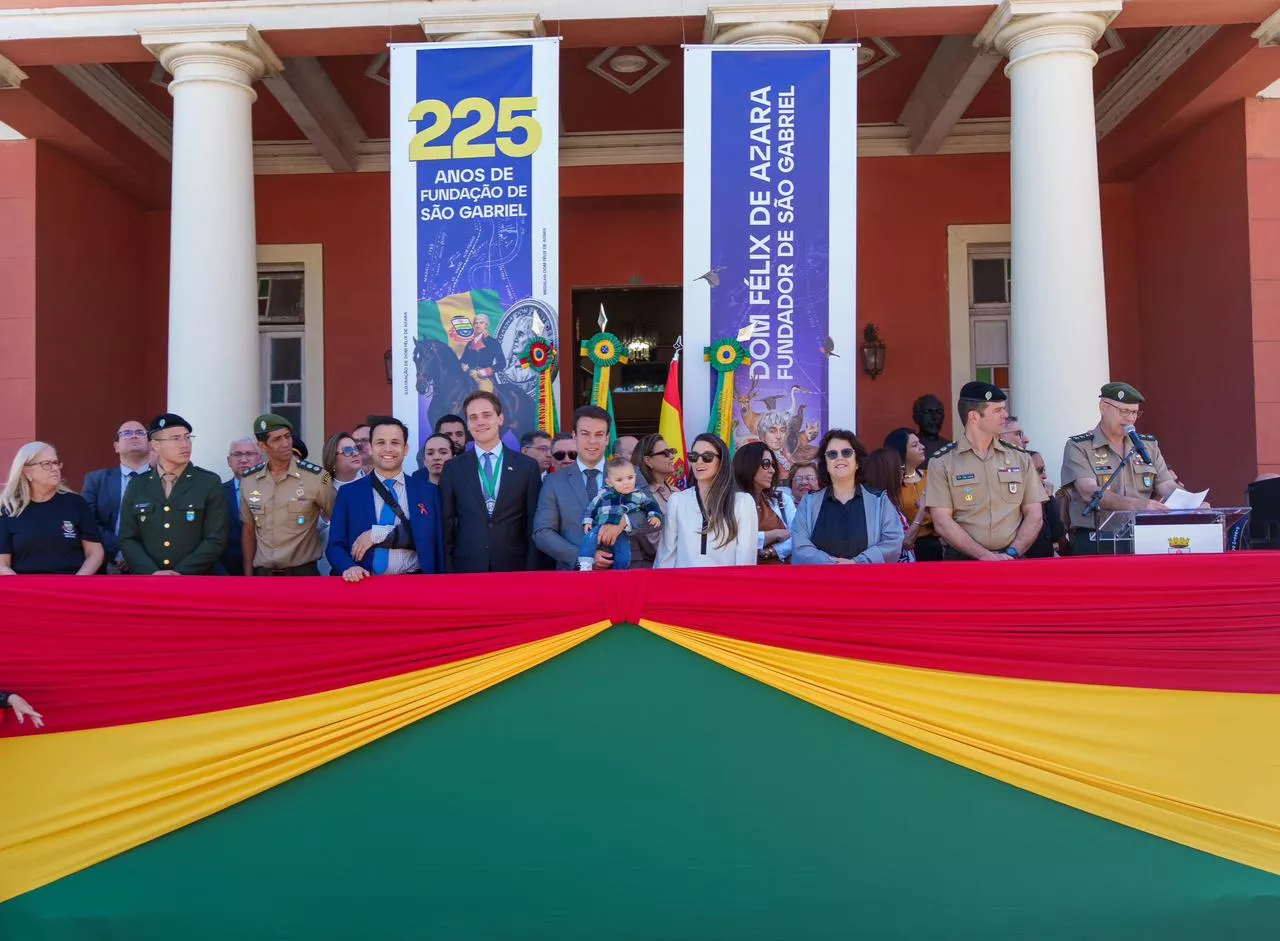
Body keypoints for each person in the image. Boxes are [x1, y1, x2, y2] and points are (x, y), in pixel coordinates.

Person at [1060, 381, 1193, 555]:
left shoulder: (1147, 445)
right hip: (1097, 538)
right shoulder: (1079, 446)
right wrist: (1138, 505)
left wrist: (1192, 503)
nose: (1130, 418)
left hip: (1143, 537)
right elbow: (1088, 491)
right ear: (1103, 407)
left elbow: (1167, 485)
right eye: (1124, 411)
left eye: (1135, 413)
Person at [925, 382, 1046, 561]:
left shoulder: (1020, 458)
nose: (1005, 415)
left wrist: (1011, 553)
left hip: (1012, 559)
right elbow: (942, 522)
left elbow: (1035, 514)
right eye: (997, 411)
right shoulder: (943, 462)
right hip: (963, 563)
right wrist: (984, 556)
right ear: (974, 416)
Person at [327, 416, 443, 581]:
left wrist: (378, 533)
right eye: (380, 442)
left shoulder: (428, 492)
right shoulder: (349, 493)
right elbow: (335, 546)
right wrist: (348, 567)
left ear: (406, 449)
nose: (388, 449)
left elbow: (432, 537)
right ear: (371, 448)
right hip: (365, 587)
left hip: (416, 586)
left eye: (395, 443)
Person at [439, 391, 541, 573]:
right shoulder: (453, 468)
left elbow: (533, 524)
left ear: (500, 419)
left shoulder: (527, 467)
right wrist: (447, 570)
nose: (480, 422)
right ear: (468, 425)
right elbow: (447, 524)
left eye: (487, 415)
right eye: (473, 417)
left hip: (514, 568)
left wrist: (531, 571)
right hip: (467, 569)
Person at [118, 413, 228, 575]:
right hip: (149, 583)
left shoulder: (208, 482)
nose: (185, 444)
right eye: (176, 439)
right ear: (155, 445)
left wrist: (180, 573)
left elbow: (216, 538)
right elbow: (128, 538)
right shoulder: (138, 485)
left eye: (187, 437)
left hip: (195, 581)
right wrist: (152, 572)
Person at [534, 405, 636, 571]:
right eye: (585, 434)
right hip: (574, 580)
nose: (592, 441)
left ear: (607, 437)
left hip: (622, 575)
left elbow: (653, 517)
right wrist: (583, 557)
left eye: (599, 434)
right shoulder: (554, 482)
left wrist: (623, 522)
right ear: (574, 436)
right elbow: (542, 532)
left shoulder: (630, 473)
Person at [240, 414, 335, 576]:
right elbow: (249, 529)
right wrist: (248, 575)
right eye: (277, 439)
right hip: (264, 576)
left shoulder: (317, 477)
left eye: (287, 436)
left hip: (303, 575)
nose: (285, 444)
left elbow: (339, 520)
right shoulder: (249, 480)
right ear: (262, 446)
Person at [791, 431, 904, 565]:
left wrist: (858, 563)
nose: (839, 458)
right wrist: (833, 565)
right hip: (821, 583)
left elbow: (893, 542)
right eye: (832, 454)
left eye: (846, 452)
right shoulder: (808, 503)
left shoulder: (879, 500)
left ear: (857, 462)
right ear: (825, 464)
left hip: (866, 583)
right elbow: (800, 546)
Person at [0, 442, 104, 575]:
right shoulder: (9, 509)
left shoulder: (76, 503)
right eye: (47, 464)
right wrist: (25, 590)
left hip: (71, 585)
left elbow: (95, 552)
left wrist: (78, 582)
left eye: (56, 463)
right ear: (27, 471)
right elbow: (2, 564)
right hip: (26, 589)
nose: (55, 468)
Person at [655, 433, 757, 568]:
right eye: (694, 456)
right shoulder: (677, 501)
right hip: (684, 585)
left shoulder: (742, 502)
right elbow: (666, 554)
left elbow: (746, 558)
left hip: (725, 585)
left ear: (721, 461)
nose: (699, 461)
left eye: (707, 457)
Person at [82, 420, 152, 573]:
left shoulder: (164, 480)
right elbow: (88, 521)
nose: (134, 436)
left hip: (152, 565)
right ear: (116, 446)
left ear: (150, 444)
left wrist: (136, 555)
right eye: (126, 433)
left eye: (140, 433)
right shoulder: (96, 480)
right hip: (108, 563)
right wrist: (120, 551)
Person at [578, 457, 663, 571]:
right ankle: (585, 564)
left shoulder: (638, 495)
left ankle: (619, 572)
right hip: (600, 526)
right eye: (619, 480)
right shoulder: (604, 493)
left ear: (635, 476)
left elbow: (651, 505)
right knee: (589, 539)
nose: (626, 483)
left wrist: (654, 515)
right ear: (609, 482)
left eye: (630, 478)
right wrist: (587, 521)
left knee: (623, 553)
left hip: (622, 532)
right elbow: (592, 507)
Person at [733, 440, 795, 564]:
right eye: (766, 464)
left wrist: (772, 551)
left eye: (772, 464)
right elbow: (731, 541)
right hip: (743, 577)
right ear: (748, 464)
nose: (772, 470)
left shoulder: (781, 499)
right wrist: (773, 534)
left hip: (780, 576)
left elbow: (798, 536)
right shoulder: (730, 502)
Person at [884, 427, 940, 561]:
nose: (922, 447)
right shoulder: (892, 485)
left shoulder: (930, 476)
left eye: (920, 443)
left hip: (935, 545)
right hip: (906, 549)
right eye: (915, 445)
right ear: (902, 452)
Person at [862, 446, 916, 562]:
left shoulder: (885, 500)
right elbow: (905, 542)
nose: (903, 472)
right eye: (901, 468)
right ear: (889, 471)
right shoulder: (882, 503)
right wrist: (922, 510)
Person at [217, 436, 262, 576]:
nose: (243, 459)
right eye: (237, 454)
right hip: (227, 574)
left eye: (249, 454)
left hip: (266, 572)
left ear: (260, 459)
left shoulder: (273, 491)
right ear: (229, 461)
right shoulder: (217, 493)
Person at [460, 313, 506, 391]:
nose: (478, 325)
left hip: (484, 377)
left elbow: (502, 363)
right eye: (476, 323)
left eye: (481, 323)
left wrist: (487, 371)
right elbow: (462, 361)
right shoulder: (469, 344)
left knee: (484, 393)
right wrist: (462, 366)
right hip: (468, 375)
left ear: (486, 325)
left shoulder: (493, 342)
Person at [912, 393, 951, 464]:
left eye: (938, 412)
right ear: (916, 418)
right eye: (927, 412)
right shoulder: (908, 448)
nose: (934, 417)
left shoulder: (951, 448)